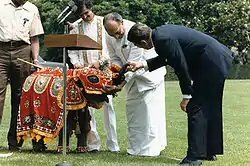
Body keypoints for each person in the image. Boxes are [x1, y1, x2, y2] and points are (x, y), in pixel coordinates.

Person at [127, 23, 233, 165]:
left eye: (138, 45)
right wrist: (143, 64)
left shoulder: (162, 40)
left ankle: (194, 158)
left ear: (144, 42)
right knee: (209, 106)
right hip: (217, 58)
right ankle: (208, 151)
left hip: (210, 62)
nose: (140, 48)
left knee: (195, 108)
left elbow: (180, 66)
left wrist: (187, 95)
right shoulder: (161, 32)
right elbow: (169, 57)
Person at [102, 12, 167, 157]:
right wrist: (115, 75)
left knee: (149, 113)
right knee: (133, 113)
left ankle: (151, 149)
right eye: (111, 34)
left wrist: (120, 84)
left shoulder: (135, 31)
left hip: (148, 76)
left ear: (122, 22)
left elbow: (134, 63)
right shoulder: (109, 35)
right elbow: (115, 58)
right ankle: (135, 148)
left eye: (118, 32)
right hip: (130, 78)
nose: (116, 36)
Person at [67, 0, 120, 153]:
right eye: (81, 15)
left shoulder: (103, 23)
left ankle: (113, 145)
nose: (84, 17)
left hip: (103, 70)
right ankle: (93, 145)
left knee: (107, 107)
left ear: (91, 9)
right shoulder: (76, 26)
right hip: (83, 73)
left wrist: (100, 61)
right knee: (87, 110)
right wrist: (76, 63)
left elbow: (110, 47)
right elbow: (72, 49)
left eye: (86, 13)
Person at [0, 0, 44, 151]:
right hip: (2, 50)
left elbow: (35, 38)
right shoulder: (1, 5)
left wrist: (36, 59)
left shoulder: (32, 9)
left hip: (23, 51)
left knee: (20, 97)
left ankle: (14, 141)